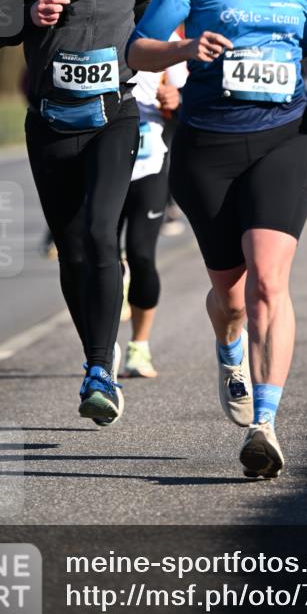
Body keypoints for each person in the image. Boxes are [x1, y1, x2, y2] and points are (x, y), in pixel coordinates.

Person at [127, 0, 307, 479]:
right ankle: (228, 348)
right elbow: (137, 48)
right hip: (208, 145)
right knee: (228, 295)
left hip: (288, 135)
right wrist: (186, 46)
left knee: (268, 285)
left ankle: (265, 424)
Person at [0, 0, 151, 427]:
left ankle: (101, 370)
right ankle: (93, 357)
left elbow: (152, 27)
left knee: (103, 234)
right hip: (53, 120)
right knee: (73, 245)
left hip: (115, 116)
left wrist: (178, 73)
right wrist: (31, 14)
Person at [118, 34, 187, 379]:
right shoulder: (95, 14)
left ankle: (139, 348)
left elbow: (187, 95)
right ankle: (101, 351)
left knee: (142, 253)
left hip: (150, 158)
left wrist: (175, 99)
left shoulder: (165, 34)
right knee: (96, 252)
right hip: (104, 158)